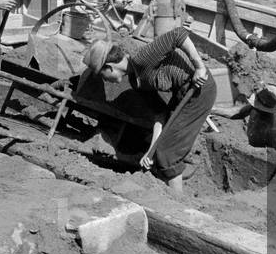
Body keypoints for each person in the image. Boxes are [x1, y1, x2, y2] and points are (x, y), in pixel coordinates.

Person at [81, 26, 216, 193]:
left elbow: (178, 34)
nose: (106, 81)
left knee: (169, 153)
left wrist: (199, 66)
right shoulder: (136, 81)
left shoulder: (141, 59)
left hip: (199, 90)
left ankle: (178, 202)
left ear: (109, 67)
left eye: (102, 76)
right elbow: (160, 115)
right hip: (182, 93)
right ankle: (172, 193)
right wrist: (149, 152)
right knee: (161, 151)